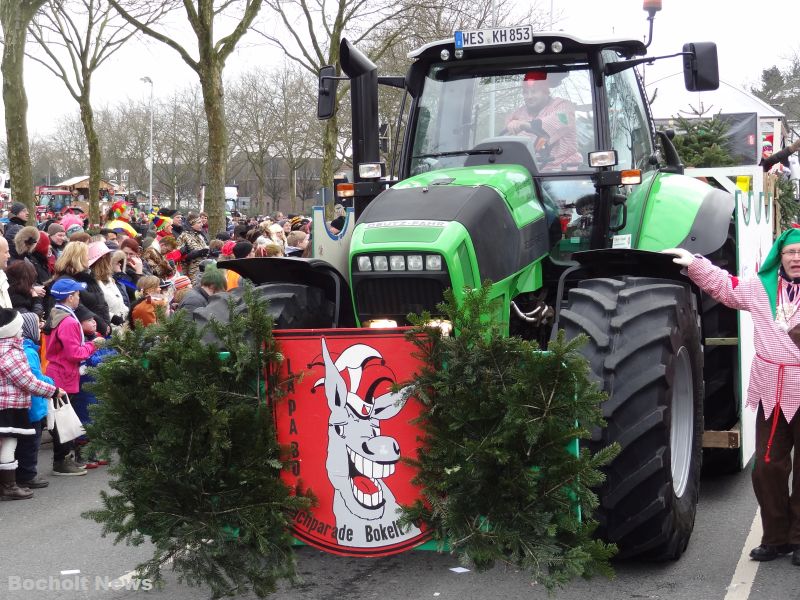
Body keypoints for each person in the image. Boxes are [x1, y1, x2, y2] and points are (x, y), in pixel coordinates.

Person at [664, 230, 800, 566]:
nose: (797, 258)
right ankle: (777, 539)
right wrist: (694, 264)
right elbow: (727, 287)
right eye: (791, 252)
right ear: (779, 258)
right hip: (772, 394)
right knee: (766, 468)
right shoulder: (760, 290)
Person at [0, 308, 63, 498]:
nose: (21, 331)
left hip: (6, 405)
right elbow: (26, 381)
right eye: (19, 327)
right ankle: (9, 486)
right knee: (8, 445)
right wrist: (53, 391)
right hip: (9, 407)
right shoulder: (10, 352)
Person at [45, 277, 101, 476]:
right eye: (77, 294)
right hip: (64, 375)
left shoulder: (58, 314)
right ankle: (62, 462)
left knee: (64, 419)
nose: (79, 297)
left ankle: (65, 459)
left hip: (60, 373)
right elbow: (75, 353)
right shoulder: (68, 321)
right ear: (70, 298)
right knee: (63, 422)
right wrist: (94, 344)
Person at [504, 71, 581, 170]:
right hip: (529, 171)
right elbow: (507, 136)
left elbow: (558, 122)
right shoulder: (518, 114)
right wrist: (510, 126)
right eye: (526, 92)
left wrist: (524, 125)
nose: (529, 96)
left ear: (545, 92)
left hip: (561, 171)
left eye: (534, 91)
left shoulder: (564, 107)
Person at [14, 312, 54, 489]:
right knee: (30, 443)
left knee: (27, 443)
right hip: (32, 405)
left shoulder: (27, 348)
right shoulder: (28, 351)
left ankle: (23, 474)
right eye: (37, 325)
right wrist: (51, 383)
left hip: (32, 404)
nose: (41, 328)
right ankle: (27, 475)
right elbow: (34, 378)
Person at [177, 214, 210, 286]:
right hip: (192, 271)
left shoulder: (199, 235)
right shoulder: (184, 235)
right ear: (191, 225)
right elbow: (179, 254)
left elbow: (204, 248)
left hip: (203, 267)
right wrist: (189, 255)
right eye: (199, 223)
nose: (201, 224)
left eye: (201, 222)